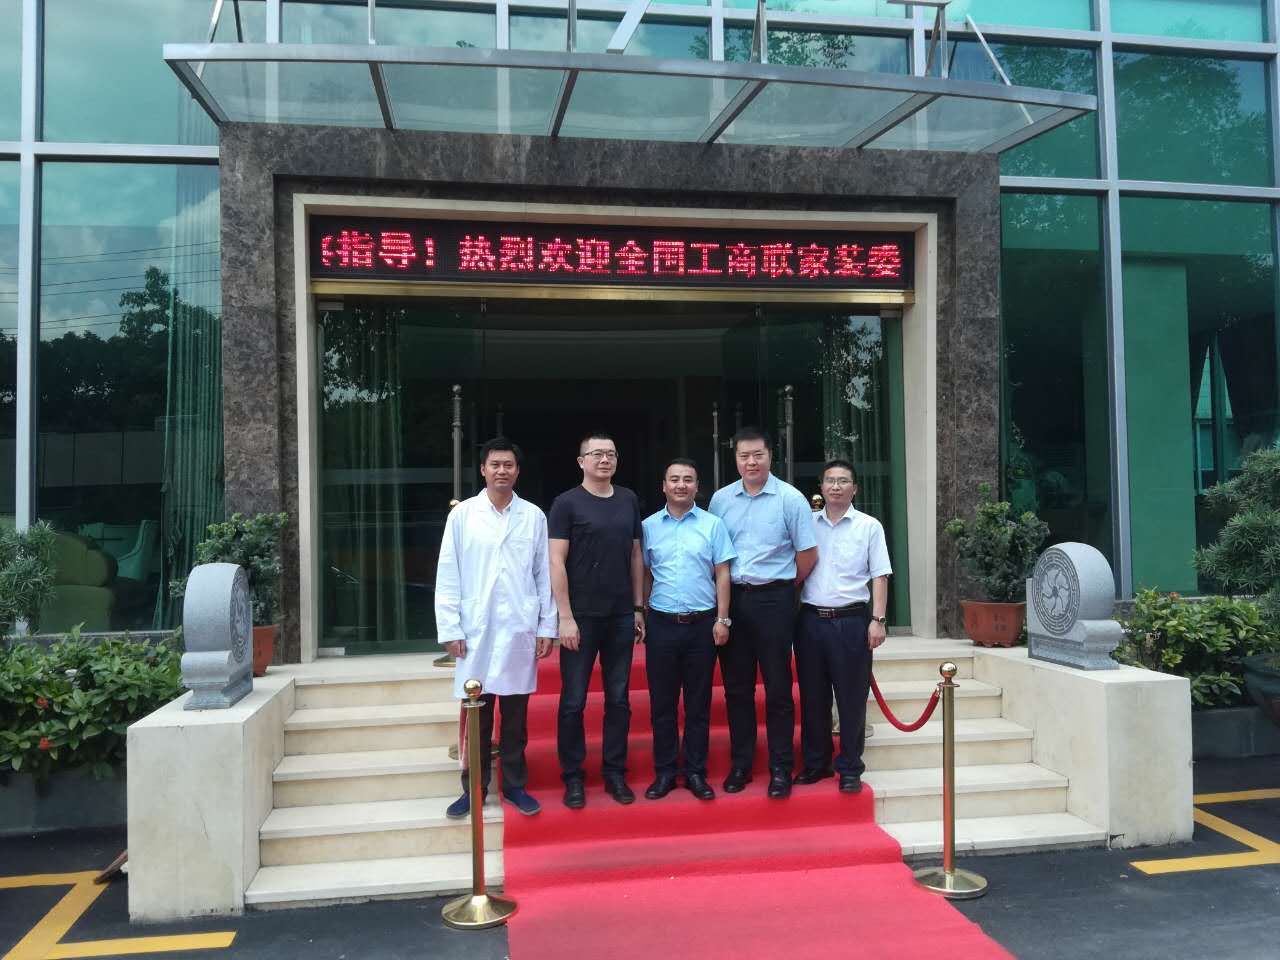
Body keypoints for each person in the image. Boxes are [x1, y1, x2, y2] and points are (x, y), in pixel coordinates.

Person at [436, 437, 557, 819]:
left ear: (517, 471)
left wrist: (546, 626)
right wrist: (450, 627)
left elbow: (543, 575)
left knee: (516, 718)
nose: (502, 470)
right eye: (495, 464)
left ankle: (515, 785)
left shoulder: (533, 516)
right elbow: (448, 572)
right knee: (477, 713)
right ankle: (473, 788)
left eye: (508, 465)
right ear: (483, 470)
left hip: (519, 627)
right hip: (476, 630)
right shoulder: (463, 516)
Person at [709, 427, 818, 799]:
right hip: (734, 600)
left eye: (758, 455)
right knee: (737, 688)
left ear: (770, 455)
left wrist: (784, 586)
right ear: (735, 459)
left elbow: (807, 555)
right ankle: (741, 764)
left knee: (778, 688)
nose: (751, 462)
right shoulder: (721, 500)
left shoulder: (791, 499)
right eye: (744, 456)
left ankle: (780, 768)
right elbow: (715, 554)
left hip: (775, 600)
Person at [548, 432, 646, 808]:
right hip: (582, 617)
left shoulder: (628, 499)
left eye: (611, 454)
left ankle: (614, 772)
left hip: (620, 615)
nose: (605, 460)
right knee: (573, 700)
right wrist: (565, 616)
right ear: (581, 461)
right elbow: (556, 561)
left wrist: (638, 607)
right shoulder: (566, 503)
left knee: (618, 699)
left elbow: (635, 555)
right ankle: (573, 776)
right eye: (597, 454)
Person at [641, 458, 736, 801]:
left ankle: (696, 772)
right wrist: (642, 612)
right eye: (674, 479)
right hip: (662, 624)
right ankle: (665, 772)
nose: (681, 485)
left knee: (698, 704)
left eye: (688, 479)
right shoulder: (648, 527)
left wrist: (722, 619)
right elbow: (645, 573)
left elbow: (722, 573)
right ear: (663, 486)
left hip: (701, 626)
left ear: (697, 486)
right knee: (662, 705)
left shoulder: (713, 525)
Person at [795, 459, 892, 793]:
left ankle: (850, 767)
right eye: (830, 481)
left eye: (843, 481)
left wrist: (878, 620)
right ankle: (816, 763)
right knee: (813, 697)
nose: (836, 487)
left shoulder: (869, 526)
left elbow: (880, 575)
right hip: (810, 620)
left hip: (851, 621)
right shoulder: (806, 524)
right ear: (821, 487)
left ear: (855, 488)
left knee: (851, 698)